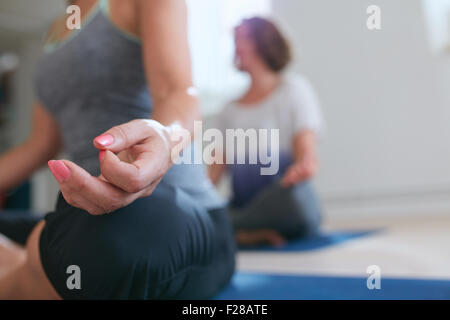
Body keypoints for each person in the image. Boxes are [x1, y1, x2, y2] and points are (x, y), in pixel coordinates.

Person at [0, 0, 235, 299]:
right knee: (71, 244)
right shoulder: (56, 30)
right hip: (88, 214)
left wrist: (163, 136)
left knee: (98, 250)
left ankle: (27, 266)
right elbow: (39, 145)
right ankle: (35, 263)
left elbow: (178, 92)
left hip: (177, 210)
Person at [209, 17, 324, 247]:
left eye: (244, 38)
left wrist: (303, 167)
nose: (238, 46)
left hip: (283, 200)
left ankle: (234, 231)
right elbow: (214, 174)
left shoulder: (294, 90)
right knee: (202, 215)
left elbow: (306, 152)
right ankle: (244, 231)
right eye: (236, 39)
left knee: (295, 206)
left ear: (265, 42)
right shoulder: (229, 110)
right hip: (244, 205)